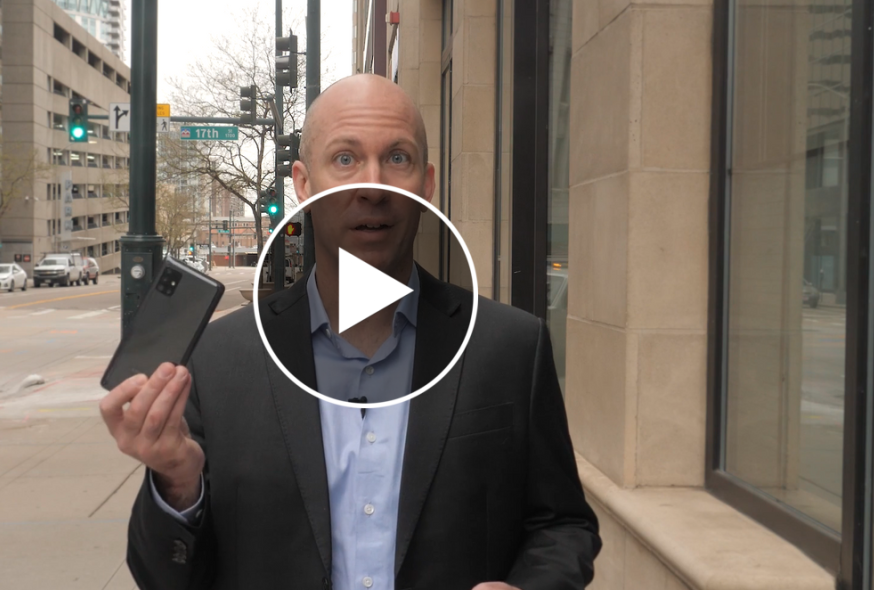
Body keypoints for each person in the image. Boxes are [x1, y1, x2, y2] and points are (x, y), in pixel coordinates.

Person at [99, 74, 601, 590]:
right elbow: (163, 576)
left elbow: (563, 524)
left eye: (398, 158)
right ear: (303, 184)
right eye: (345, 159)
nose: (373, 187)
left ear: (427, 184)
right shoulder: (217, 360)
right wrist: (178, 485)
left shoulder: (511, 347)